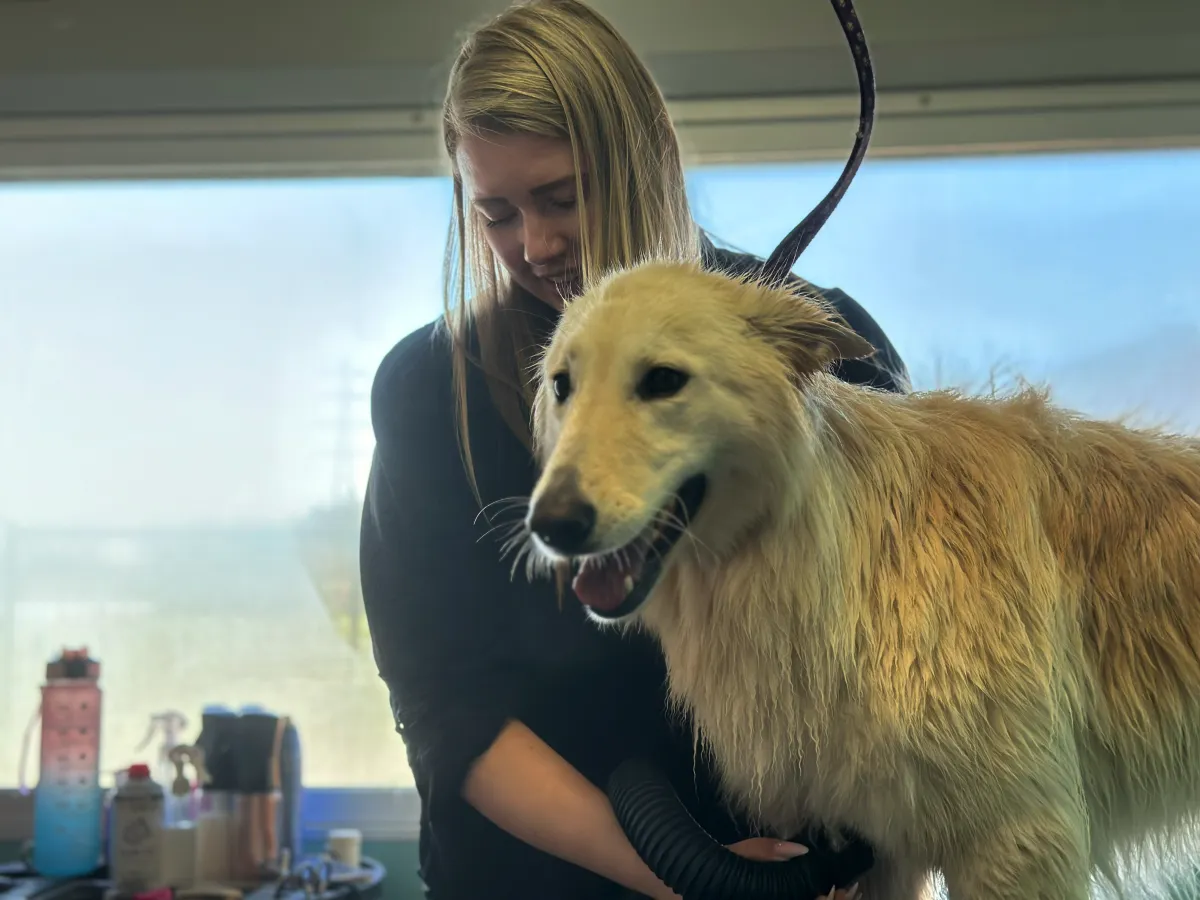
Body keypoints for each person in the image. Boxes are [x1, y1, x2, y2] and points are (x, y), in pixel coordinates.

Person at [359, 1, 910, 898]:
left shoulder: (818, 344)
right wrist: (692, 879)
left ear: (641, 158)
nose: (533, 247)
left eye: (561, 197)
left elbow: (911, 656)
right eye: (495, 214)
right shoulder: (431, 391)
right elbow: (444, 706)